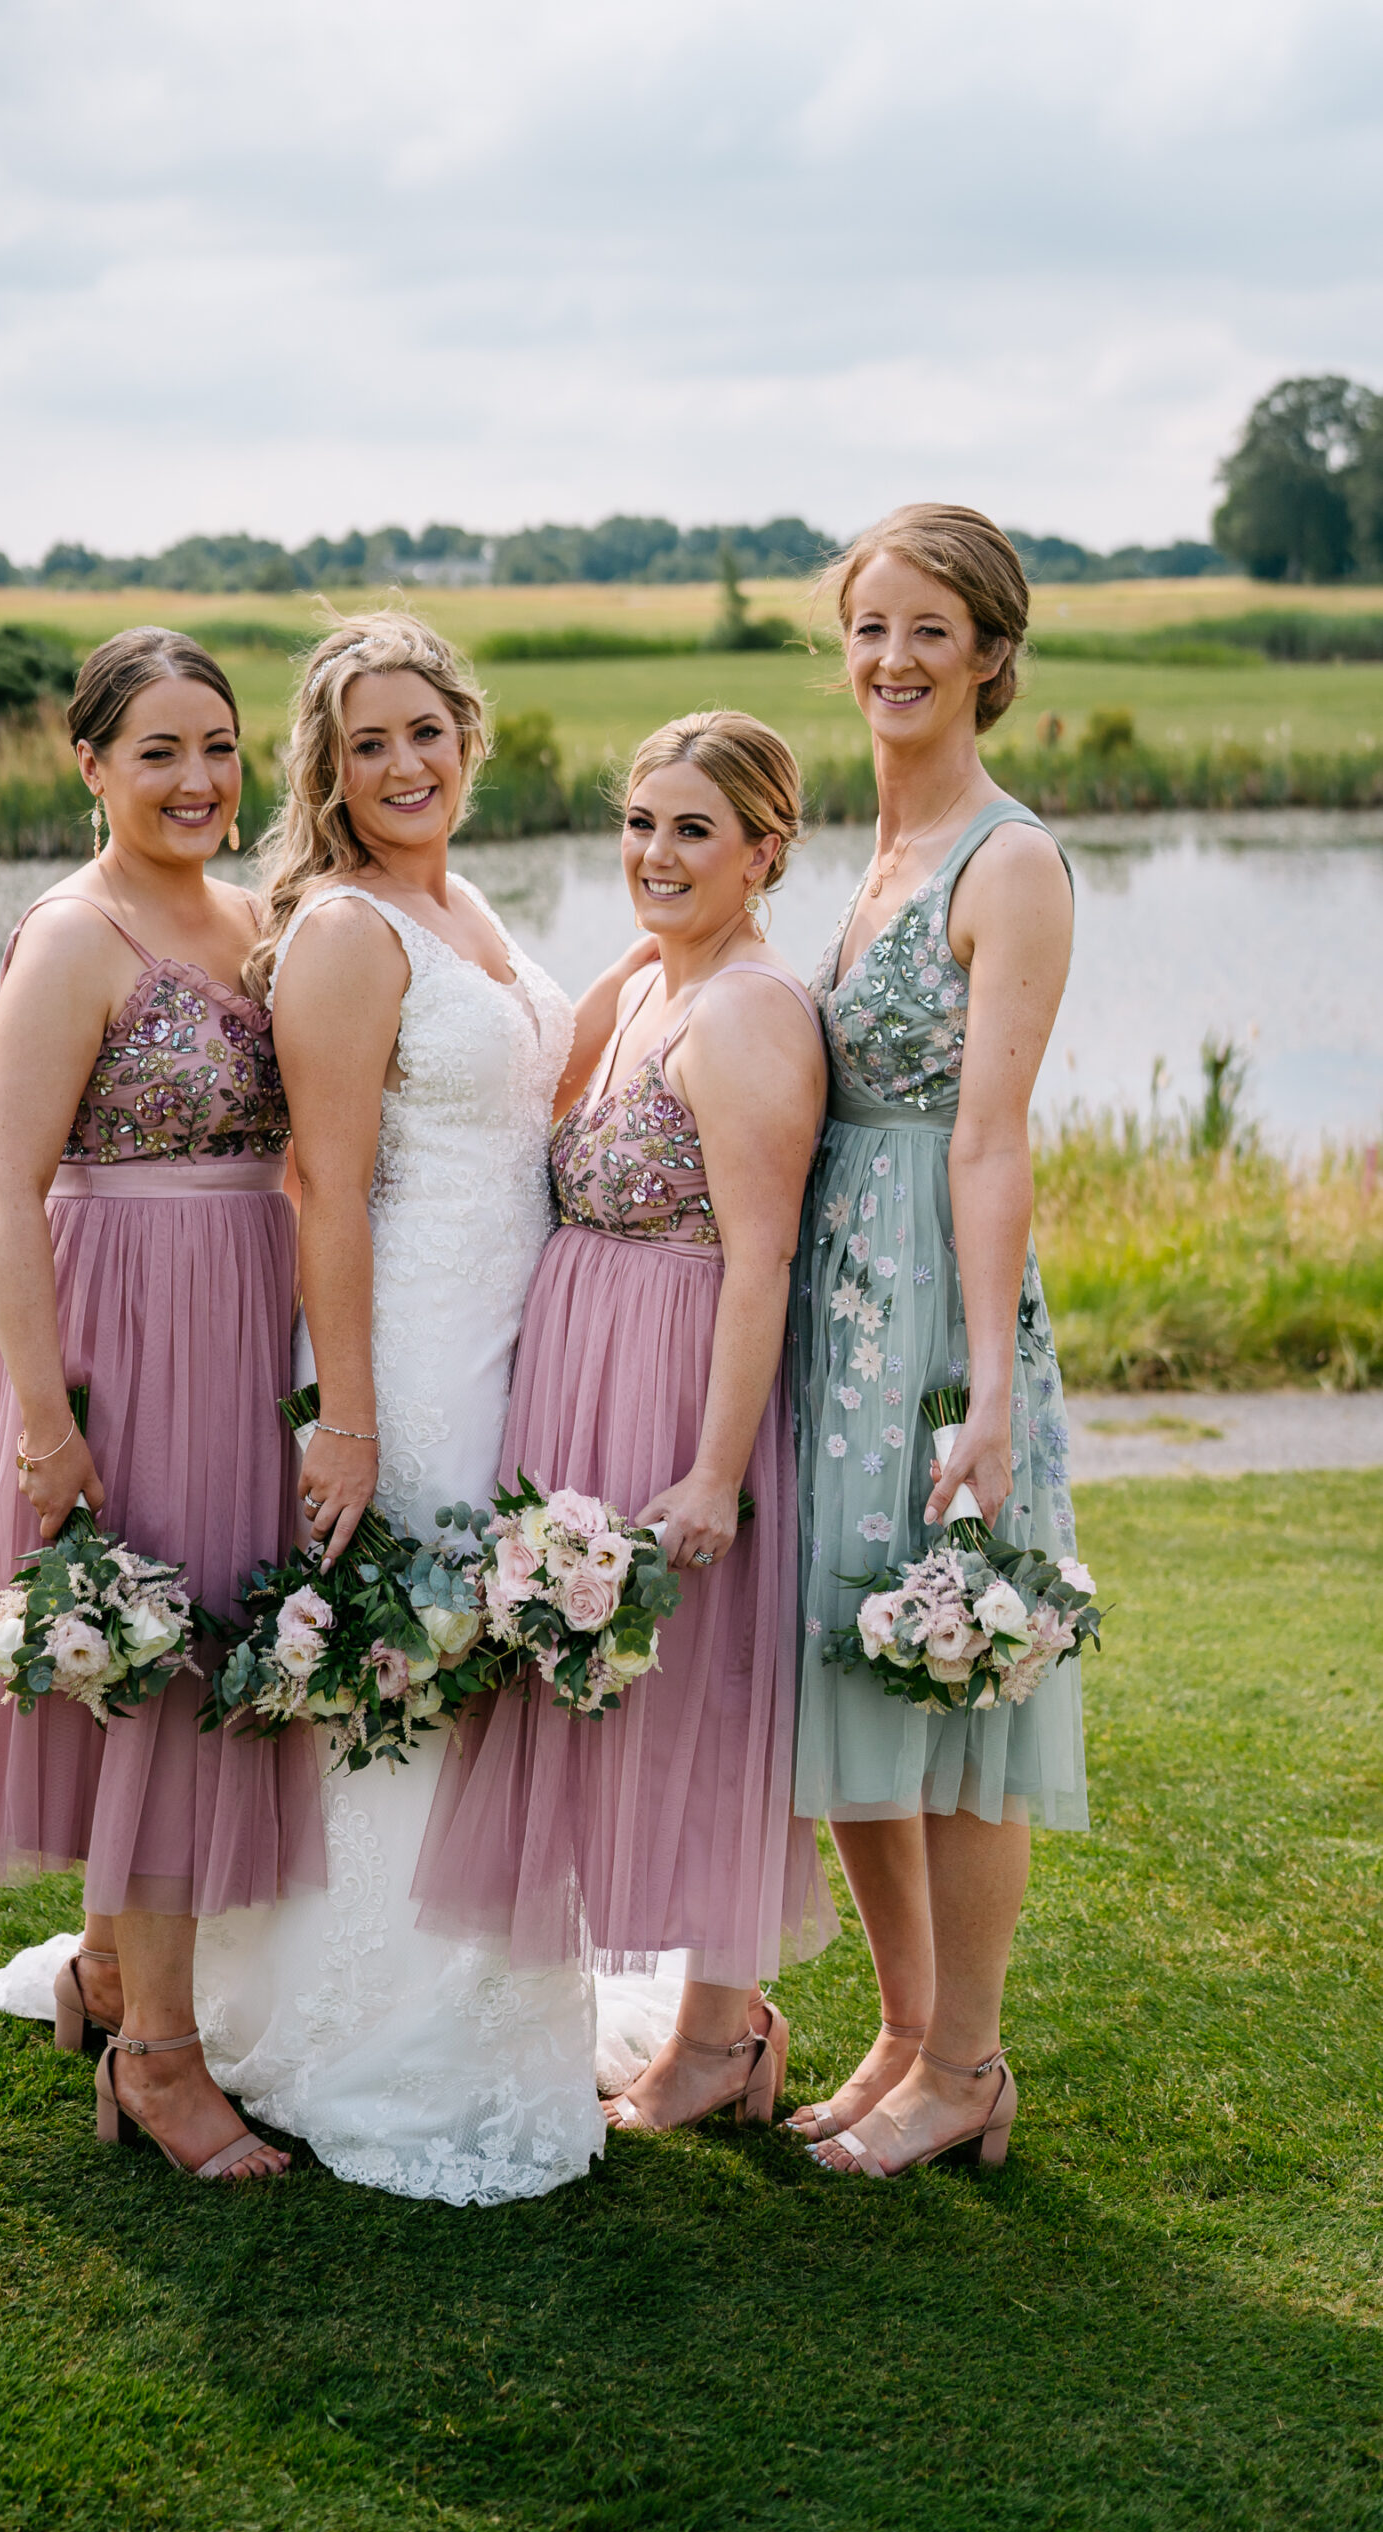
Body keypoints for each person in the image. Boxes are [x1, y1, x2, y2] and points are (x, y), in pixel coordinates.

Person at [174, 608, 651, 2202]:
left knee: (493, 1668)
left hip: (520, 1342)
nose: (404, 764)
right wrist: (352, 1419)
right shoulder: (346, 933)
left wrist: (679, 962)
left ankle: (497, 2007)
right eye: (368, 742)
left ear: (469, 736)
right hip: (413, 1351)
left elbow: (539, 1079)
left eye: (426, 731)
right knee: (413, 1671)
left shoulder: (469, 908)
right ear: (330, 766)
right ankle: (358, 2030)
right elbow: (322, 1179)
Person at [0, 627, 323, 2185]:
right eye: (160, 752)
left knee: (203, 1644)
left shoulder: (255, 915)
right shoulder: (72, 937)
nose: (200, 779)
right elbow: (6, 1188)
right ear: (90, 765)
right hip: (120, 1322)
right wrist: (42, 1416)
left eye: (218, 747)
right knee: (158, 1670)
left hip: (239, 1311)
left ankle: (107, 1973)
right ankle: (160, 2064)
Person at [414, 712, 836, 2132]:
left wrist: (715, 1472)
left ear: (764, 851)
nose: (657, 854)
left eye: (694, 830)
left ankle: (723, 2036)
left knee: (701, 1691)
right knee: (602, 1683)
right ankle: (675, 2022)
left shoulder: (752, 1013)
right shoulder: (643, 981)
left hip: (677, 1377)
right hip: (584, 1363)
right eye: (642, 822)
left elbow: (762, 1257)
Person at [784, 505, 1086, 2180]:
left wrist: (980, 1391)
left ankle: (968, 2061)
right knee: (855, 1664)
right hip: (835, 1313)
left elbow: (989, 1140)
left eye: (928, 630)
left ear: (989, 655)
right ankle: (902, 2031)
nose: (893, 660)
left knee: (958, 1681)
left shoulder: (1010, 860)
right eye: (871, 628)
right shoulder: (873, 861)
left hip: (937, 1322)